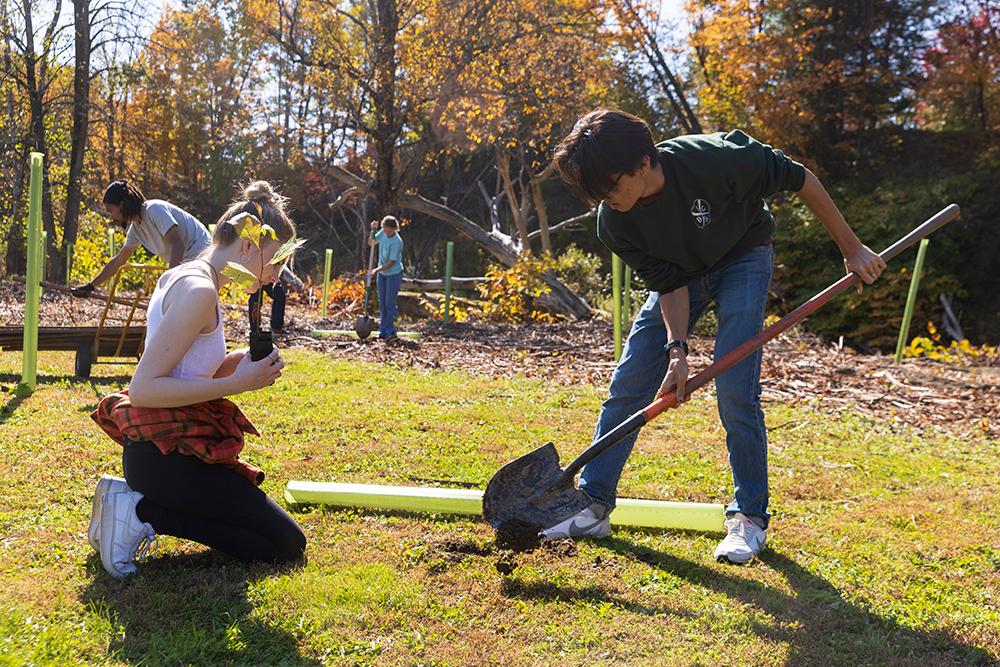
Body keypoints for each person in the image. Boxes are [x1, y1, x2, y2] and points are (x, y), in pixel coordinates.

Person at [546, 109, 885, 564]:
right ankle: (593, 503)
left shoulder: (718, 159)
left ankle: (749, 517)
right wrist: (677, 351)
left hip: (743, 256)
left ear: (643, 163)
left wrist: (852, 248)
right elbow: (668, 284)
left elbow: (801, 178)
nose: (604, 200)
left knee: (734, 387)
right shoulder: (614, 222)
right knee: (629, 383)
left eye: (610, 187)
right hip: (682, 276)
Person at [87, 181, 306, 578]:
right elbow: (144, 389)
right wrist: (234, 384)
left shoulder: (191, 277)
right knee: (285, 545)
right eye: (275, 263)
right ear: (247, 247)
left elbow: (182, 368)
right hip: (165, 457)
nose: (274, 278)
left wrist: (231, 363)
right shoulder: (199, 289)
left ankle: (133, 503)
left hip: (167, 450)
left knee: (275, 537)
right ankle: (139, 511)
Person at [71, 180, 212, 297]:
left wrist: (171, 281)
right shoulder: (136, 229)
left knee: (180, 301)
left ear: (121, 204)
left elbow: (178, 244)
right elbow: (119, 260)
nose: (111, 217)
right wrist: (90, 286)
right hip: (187, 262)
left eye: (110, 210)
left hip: (202, 254)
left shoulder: (154, 209)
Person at [369, 215, 404, 341]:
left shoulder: (397, 242)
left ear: (394, 229)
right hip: (382, 274)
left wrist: (376, 270)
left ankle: (391, 330)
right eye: (385, 229)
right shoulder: (382, 232)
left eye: (389, 230)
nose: (387, 232)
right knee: (382, 302)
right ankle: (383, 331)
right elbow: (371, 242)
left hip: (394, 274)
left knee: (390, 302)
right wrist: (373, 230)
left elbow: (391, 262)